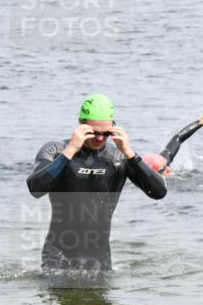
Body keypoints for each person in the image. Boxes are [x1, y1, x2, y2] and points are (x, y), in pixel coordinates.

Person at [27, 94, 167, 272]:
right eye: (93, 132)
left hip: (100, 262)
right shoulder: (56, 150)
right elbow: (35, 188)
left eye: (106, 133)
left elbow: (159, 192)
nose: (100, 138)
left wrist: (130, 154)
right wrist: (70, 150)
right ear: (81, 124)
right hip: (57, 261)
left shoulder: (120, 157)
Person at [142, 108, 203, 177]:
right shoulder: (165, 162)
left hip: (148, 160)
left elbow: (178, 138)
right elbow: (178, 138)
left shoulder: (164, 160)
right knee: (177, 139)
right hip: (155, 161)